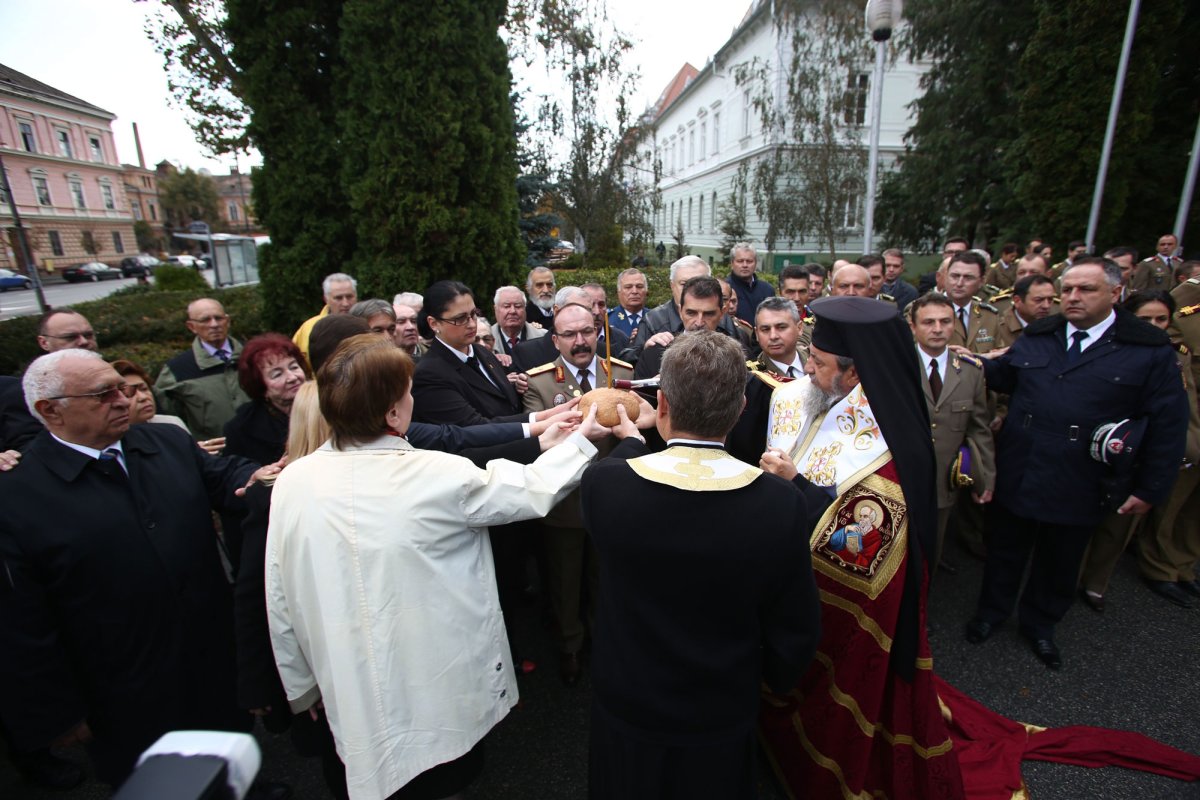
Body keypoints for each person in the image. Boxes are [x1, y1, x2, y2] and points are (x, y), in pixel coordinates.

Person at [265, 334, 627, 800]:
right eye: (408, 392)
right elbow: (531, 490)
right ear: (393, 414)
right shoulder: (431, 474)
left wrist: (299, 685)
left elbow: (278, 595)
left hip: (342, 686)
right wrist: (578, 443)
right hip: (430, 690)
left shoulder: (293, 479)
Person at [0, 349, 279, 787]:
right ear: (50, 410)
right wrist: (56, 709)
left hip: (210, 656)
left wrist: (261, 474)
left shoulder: (164, 442)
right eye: (103, 393)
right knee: (164, 783)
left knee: (232, 751)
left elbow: (223, 477)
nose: (123, 400)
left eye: (125, 388)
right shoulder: (16, 497)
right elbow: (22, 621)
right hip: (123, 689)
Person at [581, 330, 819, 799]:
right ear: (740, 409)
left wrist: (634, 437)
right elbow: (796, 625)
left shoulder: (605, 486)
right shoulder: (779, 502)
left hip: (629, 700)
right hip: (721, 704)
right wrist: (773, 680)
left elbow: (620, 466)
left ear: (663, 402)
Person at [757, 296, 964, 798]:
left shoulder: (890, 436)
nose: (806, 369)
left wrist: (794, 488)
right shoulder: (812, 394)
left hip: (847, 604)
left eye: (819, 363)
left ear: (853, 374)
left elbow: (863, 538)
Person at [966, 257, 1188, 670]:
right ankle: (991, 614)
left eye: (1086, 289)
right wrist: (966, 361)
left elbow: (1167, 425)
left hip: (1082, 475)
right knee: (1005, 549)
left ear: (1115, 293)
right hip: (1023, 463)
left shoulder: (1146, 349)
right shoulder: (1041, 334)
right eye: (1066, 289)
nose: (1072, 297)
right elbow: (1006, 375)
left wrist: (1150, 488)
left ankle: (1040, 625)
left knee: (1060, 558)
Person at [522, 303, 641, 686]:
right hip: (565, 502)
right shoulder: (540, 382)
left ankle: (603, 642)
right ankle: (570, 646)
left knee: (605, 579)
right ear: (554, 340)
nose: (580, 341)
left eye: (587, 332)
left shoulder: (621, 373)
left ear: (598, 332)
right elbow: (539, 443)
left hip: (615, 502)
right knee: (564, 581)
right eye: (570, 335)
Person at [1079, 291, 1200, 610]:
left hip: (1141, 450)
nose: (1155, 326)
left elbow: (1182, 410)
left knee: (1119, 525)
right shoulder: (1103, 348)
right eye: (1145, 319)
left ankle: (1095, 583)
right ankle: (1067, 579)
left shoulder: (1175, 355)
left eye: (1162, 319)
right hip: (1099, 445)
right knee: (1078, 522)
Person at [908, 293, 995, 570]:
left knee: (931, 550)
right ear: (913, 326)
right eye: (928, 322)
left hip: (944, 479)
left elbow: (979, 428)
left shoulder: (971, 372)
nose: (937, 328)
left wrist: (986, 478)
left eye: (945, 322)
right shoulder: (898, 365)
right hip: (900, 477)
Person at [154, 297, 249, 440]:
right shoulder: (177, 370)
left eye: (219, 318)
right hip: (216, 452)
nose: (214, 324)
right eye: (205, 320)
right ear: (191, 326)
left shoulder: (253, 356)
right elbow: (167, 418)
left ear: (227, 321)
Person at [620, 255, 738, 363]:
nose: (693, 289)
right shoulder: (654, 320)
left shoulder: (725, 320)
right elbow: (625, 361)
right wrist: (645, 350)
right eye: (684, 283)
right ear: (672, 285)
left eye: (700, 282)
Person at [223, 334, 311, 468]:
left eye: (294, 367)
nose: (292, 377)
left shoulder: (328, 406)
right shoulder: (241, 429)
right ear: (261, 387)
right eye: (277, 374)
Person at [292, 273, 359, 368]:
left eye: (349, 297)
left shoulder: (369, 321)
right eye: (338, 298)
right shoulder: (308, 328)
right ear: (326, 299)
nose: (345, 303)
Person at [110, 359, 189, 432]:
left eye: (144, 388)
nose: (143, 397)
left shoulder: (172, 424)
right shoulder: (109, 439)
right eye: (129, 393)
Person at [751, 296, 805, 377]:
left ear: (799, 328)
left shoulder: (818, 362)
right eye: (765, 329)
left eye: (781, 327)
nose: (773, 336)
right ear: (757, 334)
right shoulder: (750, 377)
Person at [491, 285, 546, 358]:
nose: (513, 311)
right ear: (496, 309)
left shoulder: (543, 338)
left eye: (518, 306)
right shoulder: (483, 340)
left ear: (525, 309)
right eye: (507, 306)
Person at [726, 242, 774, 324]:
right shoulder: (725, 289)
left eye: (749, 261)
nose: (745, 265)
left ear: (755, 263)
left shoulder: (767, 290)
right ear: (732, 263)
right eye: (740, 261)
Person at [607, 268, 648, 338]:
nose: (634, 291)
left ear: (646, 291)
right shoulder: (608, 319)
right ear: (619, 292)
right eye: (628, 287)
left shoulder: (656, 318)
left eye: (639, 286)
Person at [392, 293, 427, 361]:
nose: (411, 327)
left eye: (414, 321)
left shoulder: (434, 355)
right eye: (401, 322)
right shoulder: (381, 362)